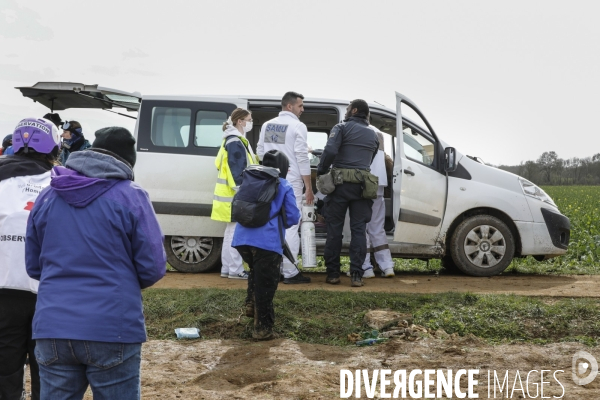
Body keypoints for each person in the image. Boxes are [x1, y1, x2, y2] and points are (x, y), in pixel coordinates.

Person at [25, 126, 166, 400]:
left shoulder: (48, 195)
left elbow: (33, 265)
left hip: (53, 326)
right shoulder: (131, 196)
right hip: (112, 325)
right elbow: (153, 266)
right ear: (127, 162)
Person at [0, 117, 60, 400]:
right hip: (47, 292)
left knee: (4, 370)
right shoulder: (62, 183)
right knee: (47, 370)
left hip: (3, 291)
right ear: (54, 149)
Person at [232, 150, 300, 340]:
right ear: (285, 168)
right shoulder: (283, 184)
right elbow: (293, 216)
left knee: (256, 271)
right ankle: (262, 329)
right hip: (267, 242)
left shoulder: (250, 179)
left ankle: (251, 303)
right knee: (267, 284)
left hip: (241, 239)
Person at [317, 99, 379, 287]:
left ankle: (333, 274)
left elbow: (330, 150)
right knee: (359, 230)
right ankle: (357, 275)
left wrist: (321, 171)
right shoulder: (374, 134)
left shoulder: (342, 127)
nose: (345, 113)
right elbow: (371, 157)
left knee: (335, 229)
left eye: (347, 109)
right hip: (362, 187)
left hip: (340, 186)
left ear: (353, 110)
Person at [256, 91, 313, 284]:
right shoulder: (298, 126)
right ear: (289, 106)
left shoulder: (267, 125)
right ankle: (290, 271)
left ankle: (276, 269)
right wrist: (309, 186)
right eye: (300, 106)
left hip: (270, 180)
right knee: (291, 223)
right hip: (291, 181)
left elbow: (260, 152)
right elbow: (302, 157)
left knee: (273, 223)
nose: (303, 109)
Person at [211, 108, 258, 279]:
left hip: (227, 195)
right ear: (240, 121)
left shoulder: (230, 140)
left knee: (230, 231)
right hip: (233, 195)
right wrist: (242, 191)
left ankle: (227, 268)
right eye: (249, 119)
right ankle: (236, 270)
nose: (250, 122)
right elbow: (236, 170)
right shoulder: (235, 141)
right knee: (235, 233)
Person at [347, 126, 395, 278]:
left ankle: (365, 267)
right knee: (377, 227)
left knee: (362, 227)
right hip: (378, 184)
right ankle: (387, 266)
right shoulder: (378, 133)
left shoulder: (356, 131)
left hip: (362, 183)